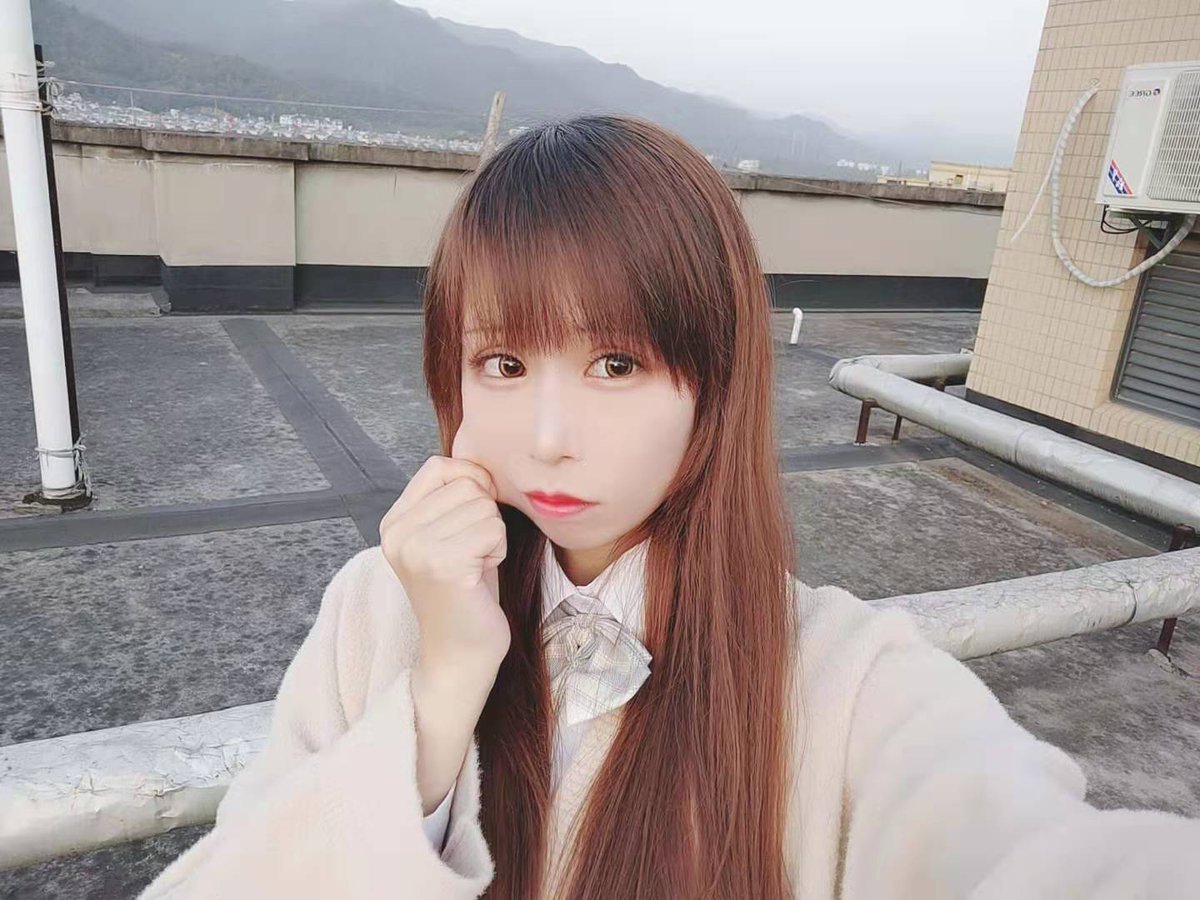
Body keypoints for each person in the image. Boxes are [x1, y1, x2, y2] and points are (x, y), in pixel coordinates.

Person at [138, 116, 1200, 899]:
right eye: (503, 363)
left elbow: (1031, 853)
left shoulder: (847, 682)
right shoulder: (380, 608)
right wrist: (442, 689)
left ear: (716, 384)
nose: (547, 435)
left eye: (616, 363)